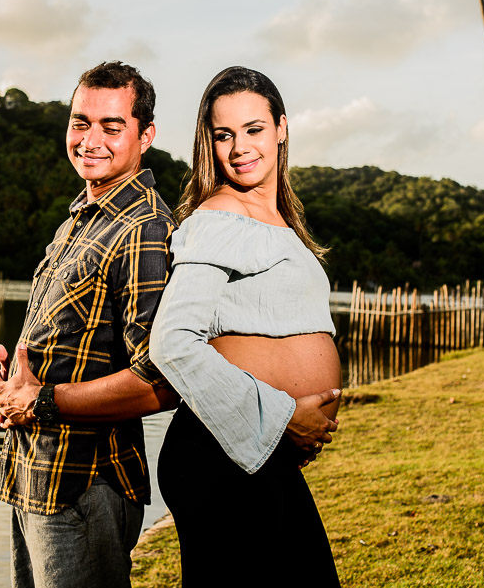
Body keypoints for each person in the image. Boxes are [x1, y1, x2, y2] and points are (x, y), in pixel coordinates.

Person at [0, 61, 179, 588]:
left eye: (111, 126)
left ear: (146, 135)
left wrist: (41, 399)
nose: (91, 139)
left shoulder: (143, 228)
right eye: (80, 122)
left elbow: (162, 381)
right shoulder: (79, 219)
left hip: (84, 487)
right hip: (33, 474)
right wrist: (11, 389)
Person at [150, 65, 343, 586]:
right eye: (223, 135)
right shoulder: (220, 218)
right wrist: (282, 416)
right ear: (208, 143)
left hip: (252, 458)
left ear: (281, 127)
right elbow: (171, 343)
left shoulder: (274, 218)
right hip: (219, 457)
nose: (239, 148)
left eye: (253, 129)